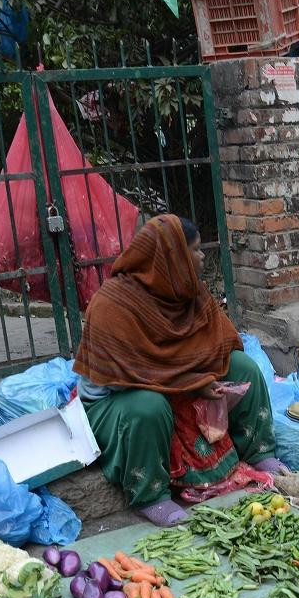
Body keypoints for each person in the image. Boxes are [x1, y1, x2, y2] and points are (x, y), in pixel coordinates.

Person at [74, 215, 283, 526]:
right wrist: (193, 383)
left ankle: (259, 450)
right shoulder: (111, 305)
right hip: (115, 402)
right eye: (195, 251)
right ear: (172, 259)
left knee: (243, 368)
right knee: (148, 408)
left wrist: (204, 375)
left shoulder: (186, 290)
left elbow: (219, 343)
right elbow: (130, 378)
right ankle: (151, 495)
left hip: (177, 382)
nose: (201, 257)